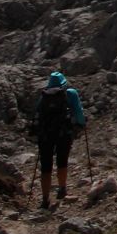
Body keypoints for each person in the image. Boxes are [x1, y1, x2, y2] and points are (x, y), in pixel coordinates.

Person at [31, 70, 86, 209]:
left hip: (45, 135)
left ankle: (45, 199)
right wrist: (82, 123)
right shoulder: (70, 93)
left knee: (45, 166)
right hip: (63, 133)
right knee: (62, 161)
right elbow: (78, 112)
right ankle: (62, 189)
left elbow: (37, 114)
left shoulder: (44, 95)